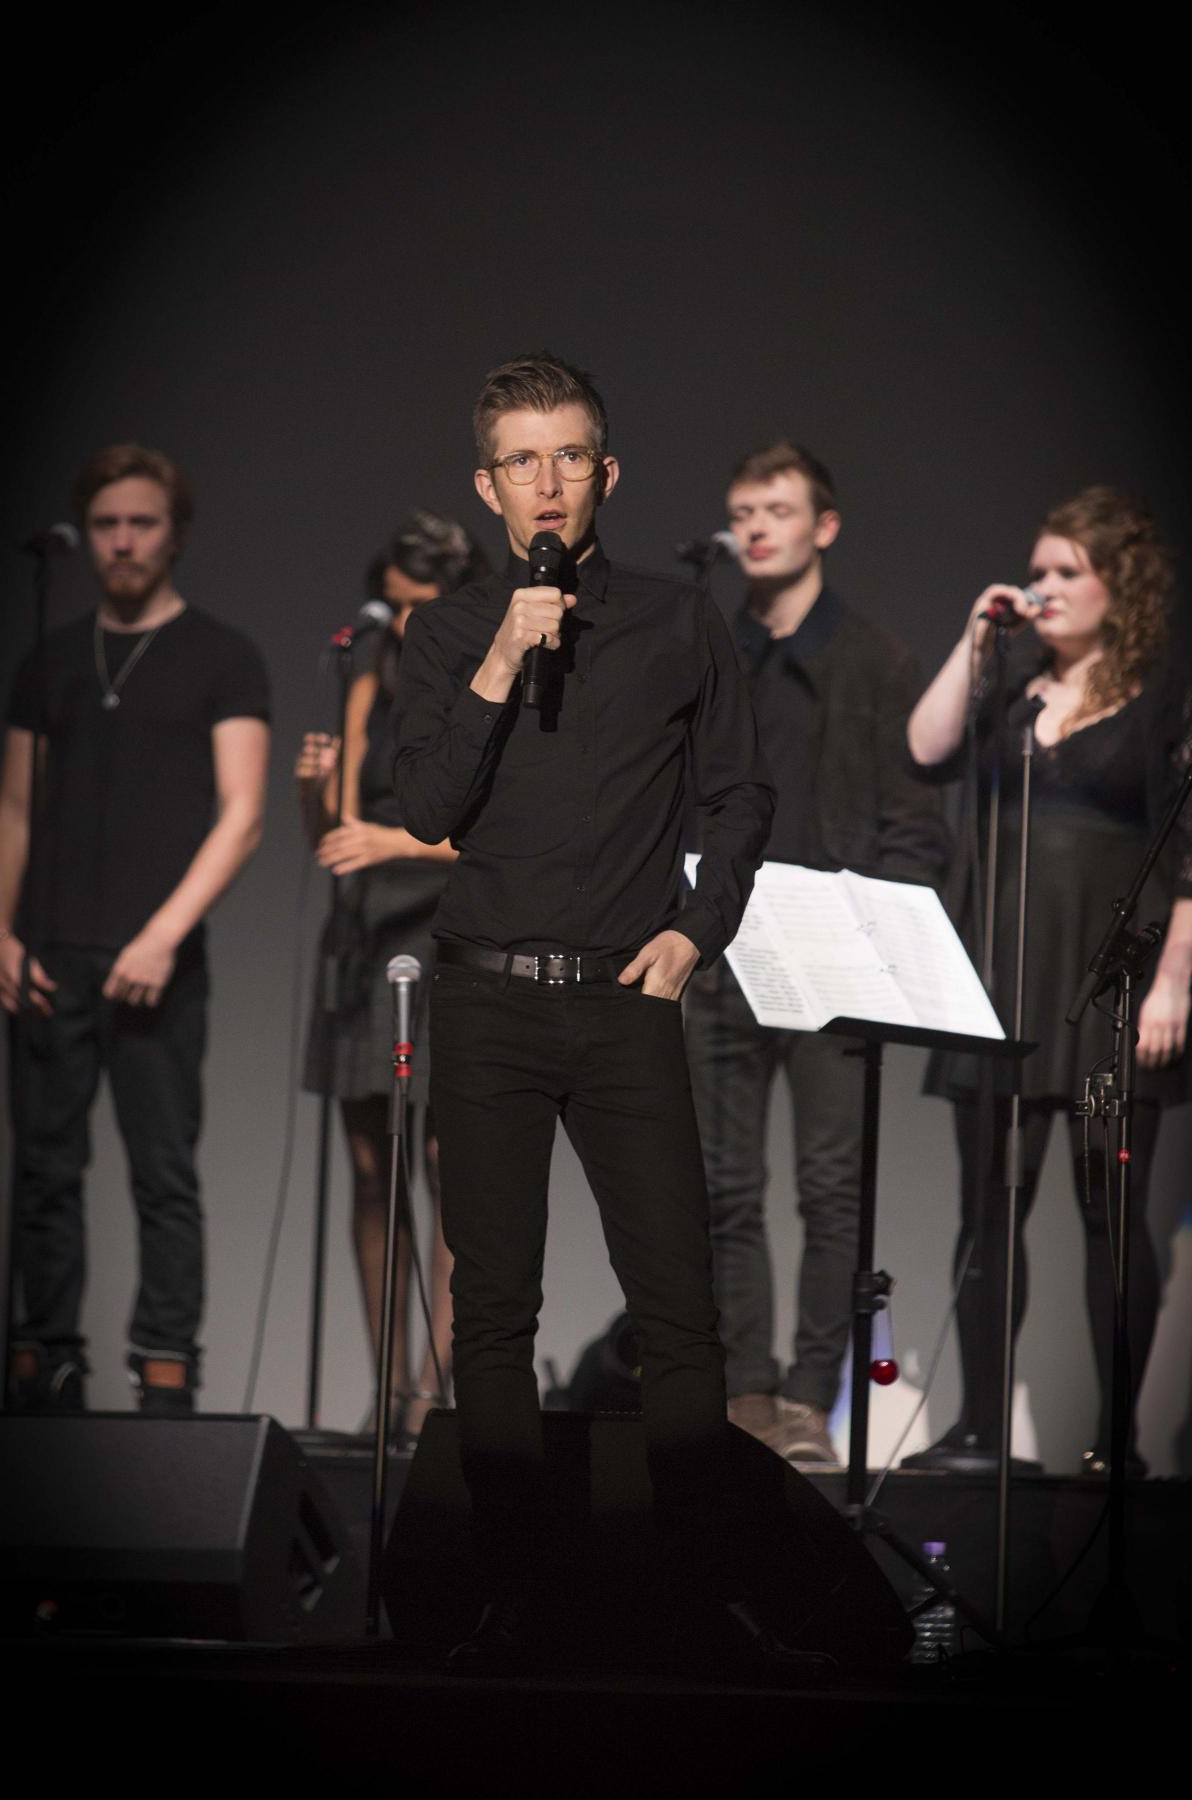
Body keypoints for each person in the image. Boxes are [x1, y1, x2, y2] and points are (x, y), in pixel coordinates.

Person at [392, 353, 797, 1673]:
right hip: (488, 999)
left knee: (681, 1311)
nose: (550, 479)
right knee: (493, 1309)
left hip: (626, 999)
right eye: (524, 458)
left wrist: (697, 929)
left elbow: (741, 793)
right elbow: (425, 809)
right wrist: (506, 651)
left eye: (572, 455)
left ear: (606, 474)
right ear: (487, 482)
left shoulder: (679, 620)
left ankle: (707, 1604)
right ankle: (514, 1599)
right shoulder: (450, 631)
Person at [904, 486, 1191, 1475]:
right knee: (987, 1210)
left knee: (1109, 1216)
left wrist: (1173, 984)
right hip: (1001, 981)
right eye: (1041, 571)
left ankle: (1119, 1444)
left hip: (1114, 986)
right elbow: (926, 746)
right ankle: (983, 1430)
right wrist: (977, 637)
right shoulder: (1012, 693)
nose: (1047, 587)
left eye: (1070, 571)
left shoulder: (1161, 701)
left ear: (1125, 584)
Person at [683, 444, 948, 1466]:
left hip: (831, 953)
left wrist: (882, 934)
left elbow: (913, 819)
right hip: (725, 945)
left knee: (831, 1187)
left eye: (777, 510)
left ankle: (808, 1398)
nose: (755, 528)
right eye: (741, 510)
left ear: (822, 526)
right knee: (720, 1183)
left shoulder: (874, 658)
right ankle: (745, 1394)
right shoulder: (712, 651)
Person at [0, 443, 270, 1414]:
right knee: (43, 1171)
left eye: (141, 522)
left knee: (163, 1174)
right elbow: (16, 810)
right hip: (48, 952)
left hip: (156, 959)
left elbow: (242, 815)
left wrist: (162, 935)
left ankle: (164, 1384)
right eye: (107, 524)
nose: (122, 540)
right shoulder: (49, 658)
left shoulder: (220, 655)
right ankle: (45, 1368)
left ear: (176, 534)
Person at [297, 512, 486, 1442]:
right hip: (368, 938)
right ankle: (386, 1389)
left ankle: (431, 1387)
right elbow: (333, 837)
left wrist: (392, 839)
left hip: (456, 934)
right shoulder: (367, 671)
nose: (406, 625)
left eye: (424, 609)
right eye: (397, 607)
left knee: (452, 1165)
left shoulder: (490, 683)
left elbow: (506, 830)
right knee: (373, 1167)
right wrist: (314, 790)